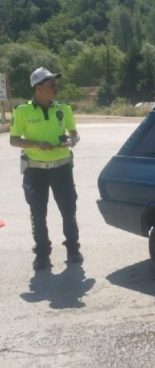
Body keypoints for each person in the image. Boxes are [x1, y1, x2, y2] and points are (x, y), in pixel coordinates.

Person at [9, 67, 83, 270]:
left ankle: (73, 250)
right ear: (38, 88)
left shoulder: (63, 109)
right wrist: (36, 144)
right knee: (38, 212)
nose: (55, 86)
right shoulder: (22, 111)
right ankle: (42, 255)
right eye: (51, 83)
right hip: (35, 171)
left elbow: (74, 133)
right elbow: (14, 141)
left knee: (68, 210)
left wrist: (72, 140)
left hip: (62, 168)